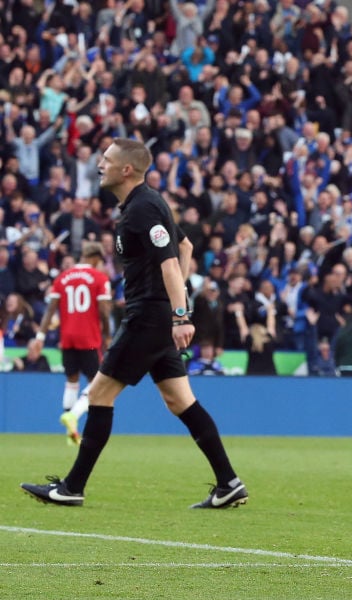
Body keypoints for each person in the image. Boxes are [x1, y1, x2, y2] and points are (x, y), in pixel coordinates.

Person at [20, 139, 247, 509]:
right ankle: (229, 484)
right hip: (158, 315)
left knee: (98, 395)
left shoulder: (142, 209)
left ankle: (72, 488)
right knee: (180, 400)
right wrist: (173, 305)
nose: (100, 164)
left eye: (106, 159)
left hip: (148, 318)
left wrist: (179, 314)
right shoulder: (147, 204)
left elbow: (172, 263)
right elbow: (185, 248)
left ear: (127, 169)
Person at [36, 241, 112, 445]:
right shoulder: (100, 278)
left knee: (71, 381)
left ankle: (70, 432)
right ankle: (73, 416)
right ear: (95, 258)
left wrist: (40, 337)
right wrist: (107, 334)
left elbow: (50, 309)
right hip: (88, 338)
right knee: (97, 385)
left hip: (67, 337)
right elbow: (104, 311)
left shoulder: (62, 278)